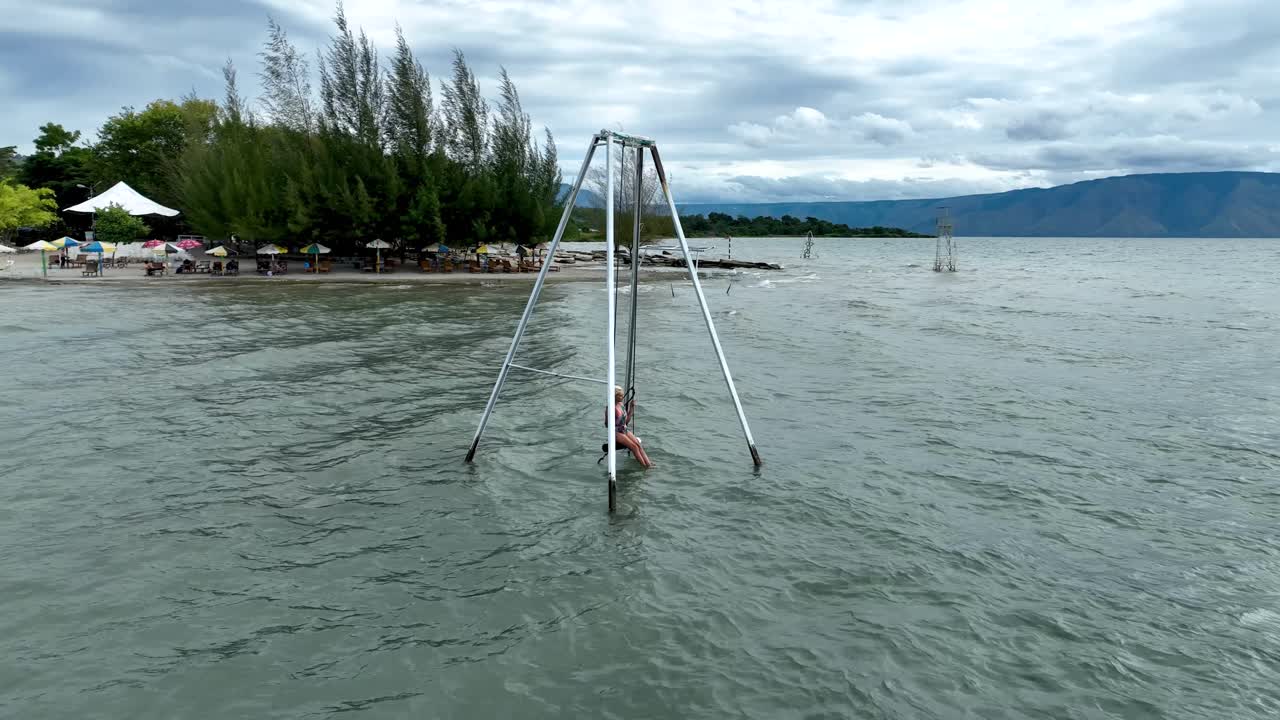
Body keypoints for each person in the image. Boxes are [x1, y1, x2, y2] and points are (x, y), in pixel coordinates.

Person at [609, 385, 654, 468]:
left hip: (624, 429)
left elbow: (626, 421)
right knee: (634, 447)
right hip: (616, 432)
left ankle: (649, 463)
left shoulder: (621, 405)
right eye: (620, 395)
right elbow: (607, 424)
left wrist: (631, 408)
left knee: (638, 445)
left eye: (622, 395)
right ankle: (645, 467)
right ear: (614, 396)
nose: (622, 397)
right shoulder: (611, 408)